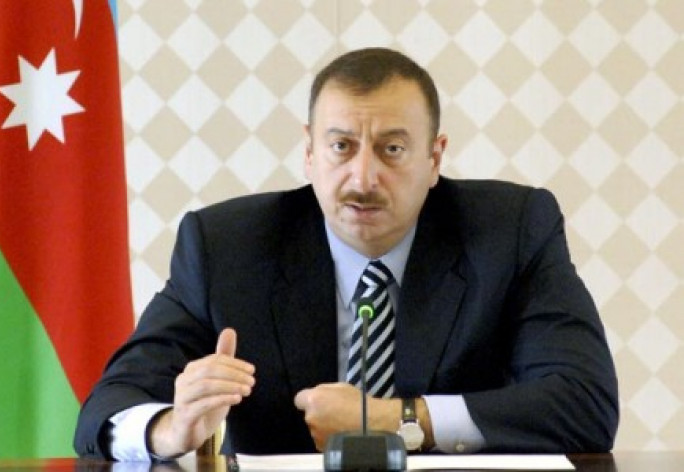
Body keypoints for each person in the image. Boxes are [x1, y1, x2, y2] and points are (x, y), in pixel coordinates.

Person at [74, 47, 618, 461]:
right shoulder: (227, 247)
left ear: (435, 159)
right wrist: (170, 428)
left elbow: (585, 406)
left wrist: (395, 420)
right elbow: (106, 408)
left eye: (392, 149)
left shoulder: (510, 232)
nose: (363, 178)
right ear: (310, 153)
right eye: (341, 147)